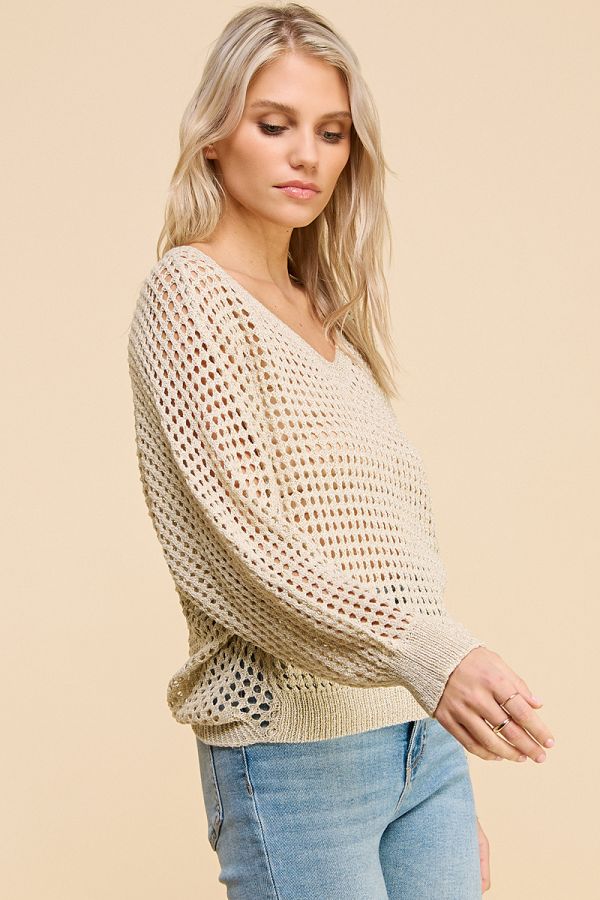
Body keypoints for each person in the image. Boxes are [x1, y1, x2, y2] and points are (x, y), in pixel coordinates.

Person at [127, 3, 555, 897]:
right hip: (295, 758)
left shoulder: (330, 320)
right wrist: (434, 656)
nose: (307, 156)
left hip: (420, 745)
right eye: (273, 124)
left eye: (331, 132)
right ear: (215, 136)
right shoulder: (189, 295)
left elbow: (394, 552)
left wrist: (437, 747)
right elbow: (249, 553)